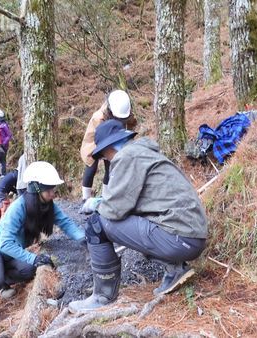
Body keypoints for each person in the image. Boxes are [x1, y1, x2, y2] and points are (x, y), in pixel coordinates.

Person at [68, 120, 208, 313]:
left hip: (178, 237)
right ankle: (175, 269)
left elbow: (114, 210)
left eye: (103, 155)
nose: (105, 159)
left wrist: (97, 204)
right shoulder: (144, 153)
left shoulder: (127, 157)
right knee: (135, 225)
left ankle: (102, 296)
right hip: (192, 237)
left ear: (109, 146)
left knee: (96, 224)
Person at [0, 161, 86, 338]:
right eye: (49, 189)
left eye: (53, 188)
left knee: (29, 269)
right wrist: (33, 258)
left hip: (11, 253)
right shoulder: (18, 208)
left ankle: (3, 279)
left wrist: (83, 238)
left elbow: (66, 222)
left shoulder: (48, 206)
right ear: (36, 188)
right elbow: (5, 244)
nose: (53, 192)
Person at [79, 90, 137, 200]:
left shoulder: (126, 113)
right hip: (94, 141)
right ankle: (85, 199)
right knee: (91, 166)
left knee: (110, 168)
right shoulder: (98, 117)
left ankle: (105, 197)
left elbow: (131, 125)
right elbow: (98, 137)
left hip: (114, 140)